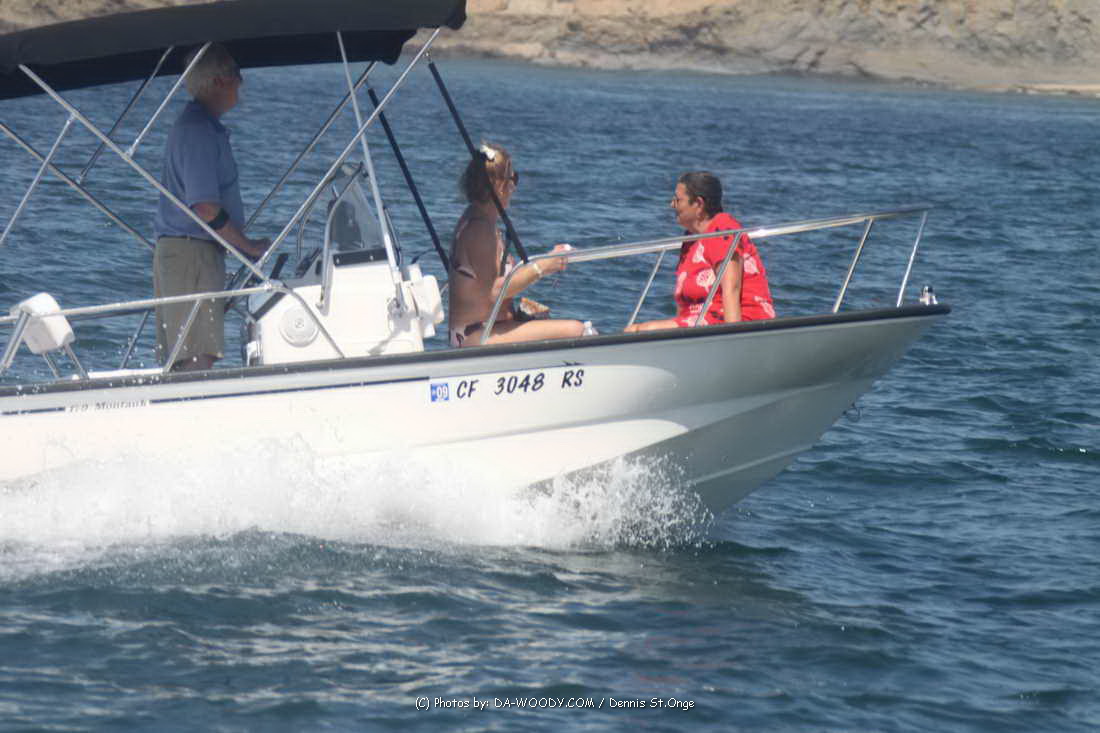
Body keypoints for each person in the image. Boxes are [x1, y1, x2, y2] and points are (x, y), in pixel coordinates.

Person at [152, 43, 270, 371]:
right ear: (218, 80)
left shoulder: (202, 126)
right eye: (236, 73)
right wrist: (247, 246)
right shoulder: (198, 130)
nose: (241, 81)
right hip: (192, 254)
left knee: (189, 355)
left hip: (192, 254)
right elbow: (204, 206)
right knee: (196, 357)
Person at [447, 143, 585, 347]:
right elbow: (494, 292)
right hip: (473, 337)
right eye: (514, 179)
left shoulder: (481, 221)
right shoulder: (479, 230)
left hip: (485, 328)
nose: (514, 187)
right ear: (498, 185)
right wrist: (543, 266)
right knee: (576, 330)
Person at [626, 171, 774, 333]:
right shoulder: (690, 240)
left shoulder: (722, 230)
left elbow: (732, 288)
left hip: (739, 320)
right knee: (634, 331)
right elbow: (684, 307)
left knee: (640, 330)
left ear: (698, 203)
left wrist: (734, 337)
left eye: (678, 200)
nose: (672, 205)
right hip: (703, 321)